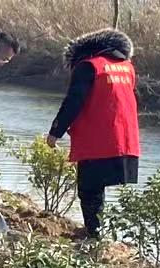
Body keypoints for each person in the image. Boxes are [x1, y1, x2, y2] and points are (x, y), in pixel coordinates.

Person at [46, 29, 139, 238]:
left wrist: (55, 132)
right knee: (98, 188)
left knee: (89, 189)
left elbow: (73, 101)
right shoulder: (127, 67)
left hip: (98, 140)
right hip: (125, 140)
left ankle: (93, 235)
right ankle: (99, 233)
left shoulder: (88, 66)